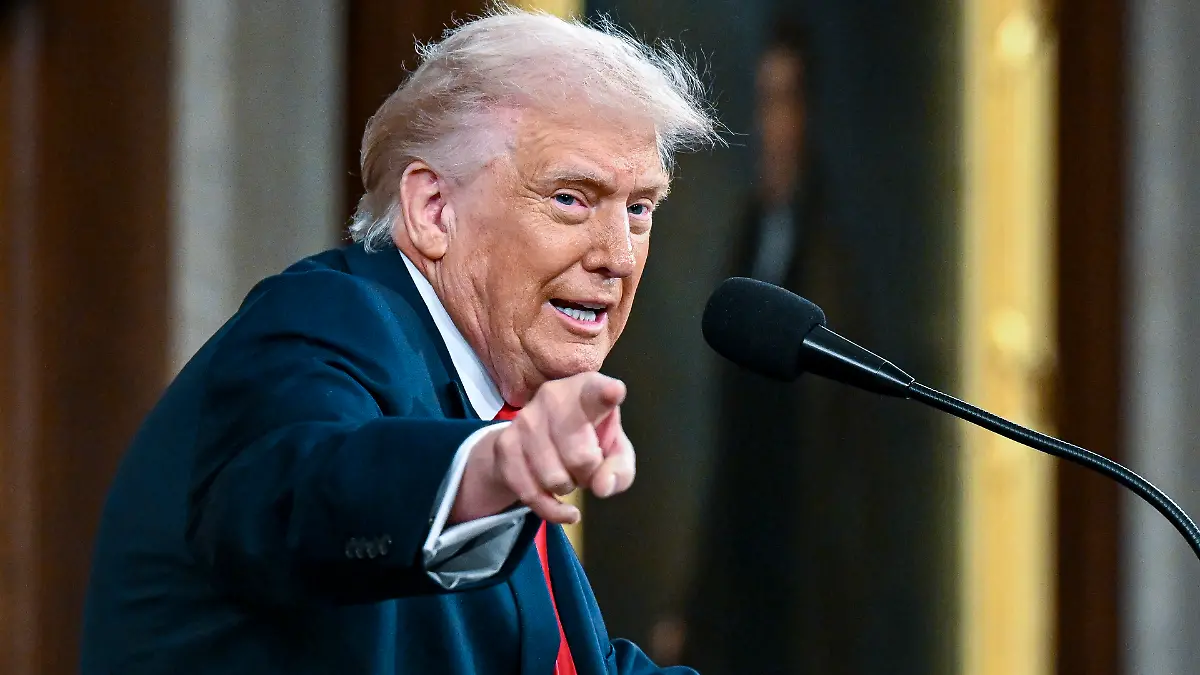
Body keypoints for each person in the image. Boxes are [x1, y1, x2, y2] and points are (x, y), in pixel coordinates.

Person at [79, 7, 720, 674]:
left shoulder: (493, 411)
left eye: (639, 209)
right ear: (433, 210)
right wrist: (489, 467)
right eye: (571, 199)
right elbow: (302, 489)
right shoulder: (330, 318)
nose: (618, 255)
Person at [677, 18, 850, 675]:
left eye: (786, 101)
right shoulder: (749, 232)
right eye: (764, 101)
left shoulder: (830, 253)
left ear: (809, 113)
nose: (773, 124)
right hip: (742, 563)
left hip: (802, 572)